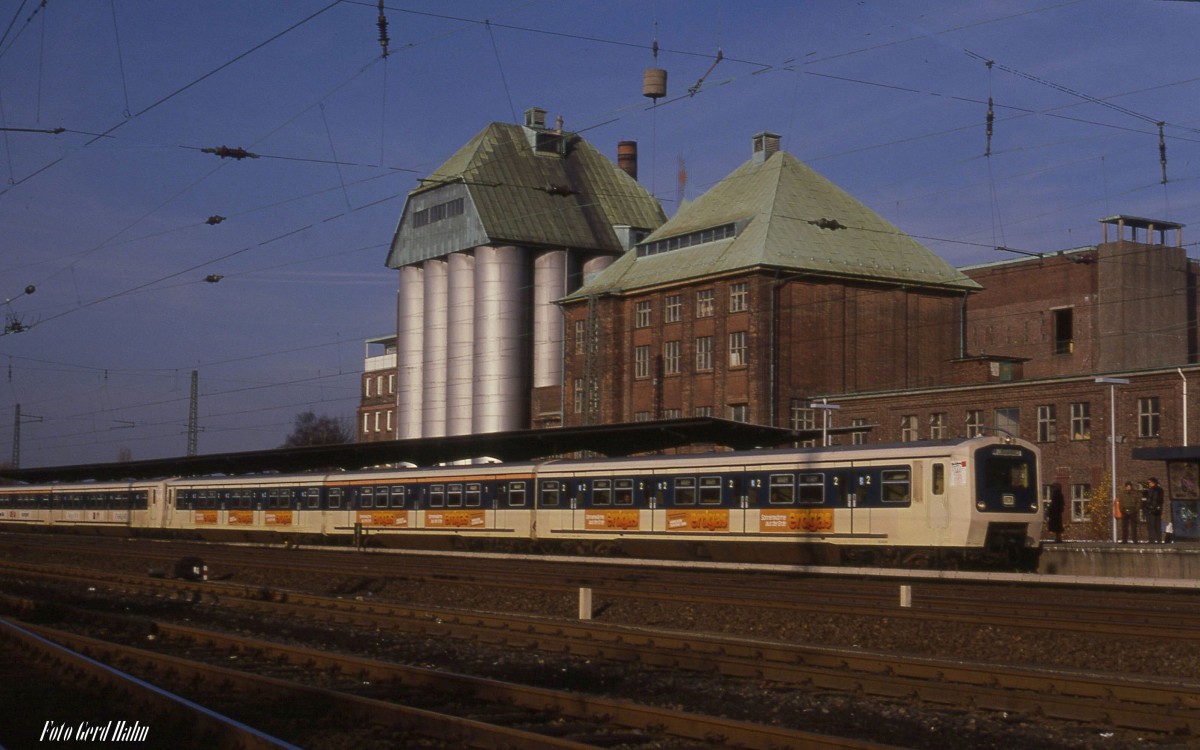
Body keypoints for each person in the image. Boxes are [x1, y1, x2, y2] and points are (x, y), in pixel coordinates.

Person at [1145, 477, 1164, 544]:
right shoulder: (1160, 490)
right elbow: (1161, 500)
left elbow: (1152, 500)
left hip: (1152, 510)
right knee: (1157, 525)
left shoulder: (1152, 490)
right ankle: (1159, 540)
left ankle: (1152, 540)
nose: (1148, 484)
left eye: (1149, 482)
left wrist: (1149, 507)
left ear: (1153, 482)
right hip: (1157, 510)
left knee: (1152, 526)